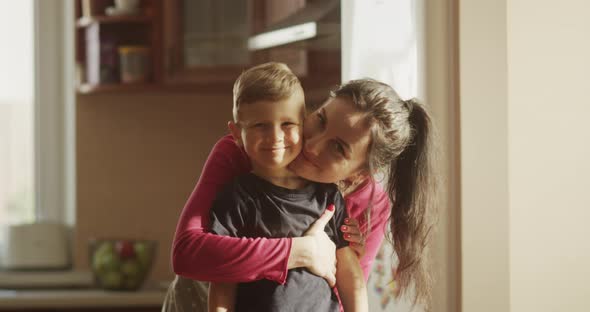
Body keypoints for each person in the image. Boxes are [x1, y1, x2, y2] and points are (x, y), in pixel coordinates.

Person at [164, 71, 437, 311]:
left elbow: (343, 293)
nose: (313, 145)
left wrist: (345, 256)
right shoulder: (243, 153)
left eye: (338, 148)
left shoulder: (369, 203)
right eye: (320, 119)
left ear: (359, 174)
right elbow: (187, 254)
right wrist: (301, 251)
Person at [206, 62, 367, 312]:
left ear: (303, 124)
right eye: (260, 125)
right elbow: (223, 281)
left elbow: (350, 275)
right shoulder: (236, 197)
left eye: (287, 124)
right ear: (237, 133)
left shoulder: (328, 195)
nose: (275, 136)